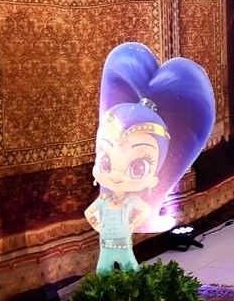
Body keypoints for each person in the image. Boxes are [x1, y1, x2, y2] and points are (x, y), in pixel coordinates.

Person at [86, 43, 215, 275]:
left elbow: (143, 212)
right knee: (103, 272)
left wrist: (130, 223)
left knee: (130, 269)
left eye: (137, 168)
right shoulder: (103, 202)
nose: (116, 175)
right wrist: (100, 224)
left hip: (123, 247)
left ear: (155, 177)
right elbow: (90, 214)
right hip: (106, 248)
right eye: (105, 161)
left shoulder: (132, 203)